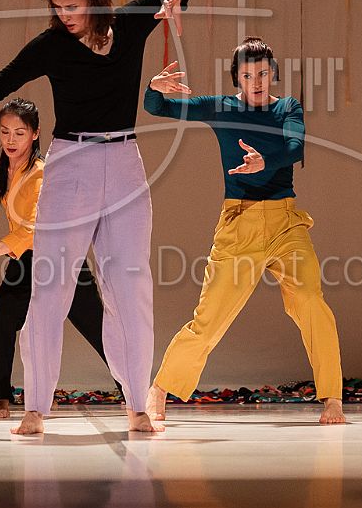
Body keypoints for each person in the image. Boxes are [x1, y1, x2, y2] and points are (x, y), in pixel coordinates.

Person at [0, 0, 191, 435]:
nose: (65, 14)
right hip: (71, 164)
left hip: (124, 164)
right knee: (50, 287)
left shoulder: (129, 23)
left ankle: (137, 405)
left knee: (131, 288)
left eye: (73, 5)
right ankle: (35, 408)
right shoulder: (52, 44)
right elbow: (5, 79)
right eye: (57, 6)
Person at [142, 38, 347, 425]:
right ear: (237, 77)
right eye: (248, 75)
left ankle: (332, 398)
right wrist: (154, 88)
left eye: (263, 74)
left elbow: (296, 147)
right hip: (240, 223)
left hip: (285, 223)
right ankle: (160, 388)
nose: (257, 82)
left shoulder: (287, 107)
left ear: (273, 74)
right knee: (210, 317)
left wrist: (264, 162)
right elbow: (157, 108)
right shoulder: (221, 107)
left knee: (311, 302)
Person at [0, 97, 111, 421]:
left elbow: (31, 230)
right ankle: (2, 401)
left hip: (61, 261)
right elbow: (10, 177)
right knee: (1, 325)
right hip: (25, 262)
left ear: (35, 134)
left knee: (100, 331)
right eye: (5, 132)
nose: (10, 140)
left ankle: (134, 394)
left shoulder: (42, 172)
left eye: (19, 133)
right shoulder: (10, 165)